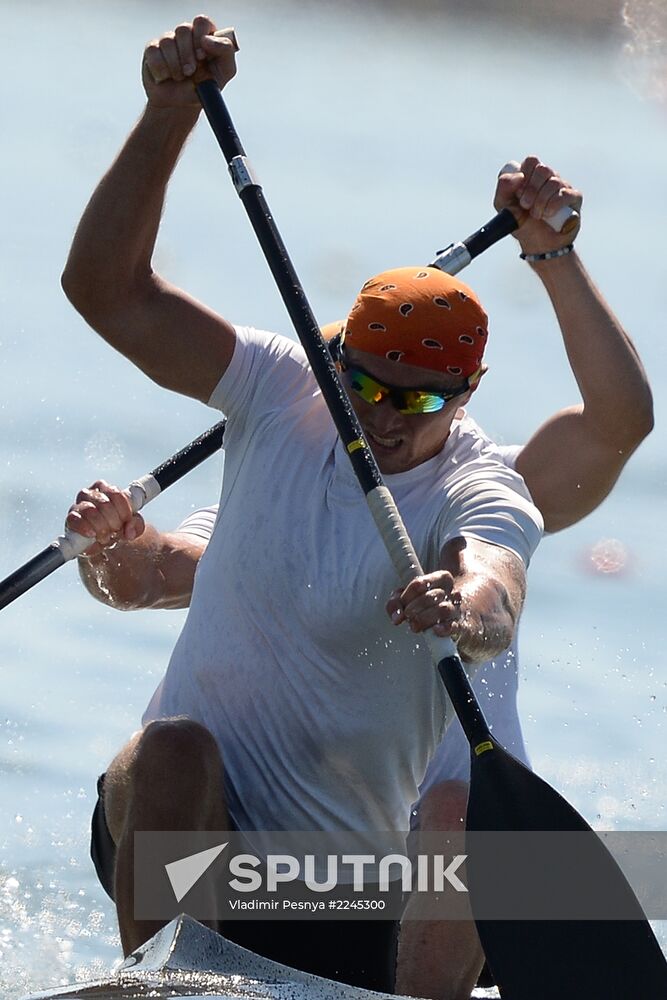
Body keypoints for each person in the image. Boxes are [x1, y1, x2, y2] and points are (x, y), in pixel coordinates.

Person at [58, 14, 644, 999]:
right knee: (169, 748)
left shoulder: (481, 486)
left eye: (413, 398)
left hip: (363, 903)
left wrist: (464, 610)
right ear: (332, 354)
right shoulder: (278, 391)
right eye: (358, 382)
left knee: (458, 814)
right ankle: (156, 985)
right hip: (202, 854)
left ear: (467, 392)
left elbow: (501, 575)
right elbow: (106, 292)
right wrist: (167, 116)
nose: (376, 412)